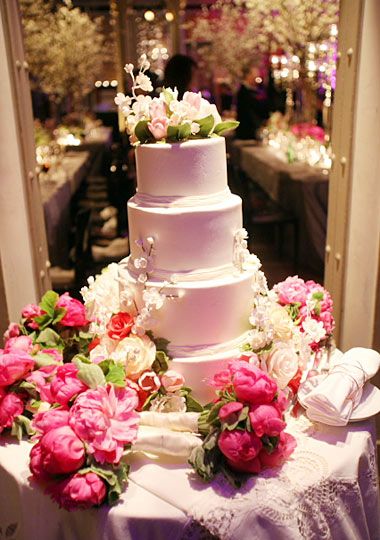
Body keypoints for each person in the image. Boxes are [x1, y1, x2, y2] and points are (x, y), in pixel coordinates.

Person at [236, 65, 269, 140]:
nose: (256, 78)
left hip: (250, 130)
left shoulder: (252, 90)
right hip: (247, 131)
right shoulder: (243, 91)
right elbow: (249, 112)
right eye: (254, 75)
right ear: (248, 75)